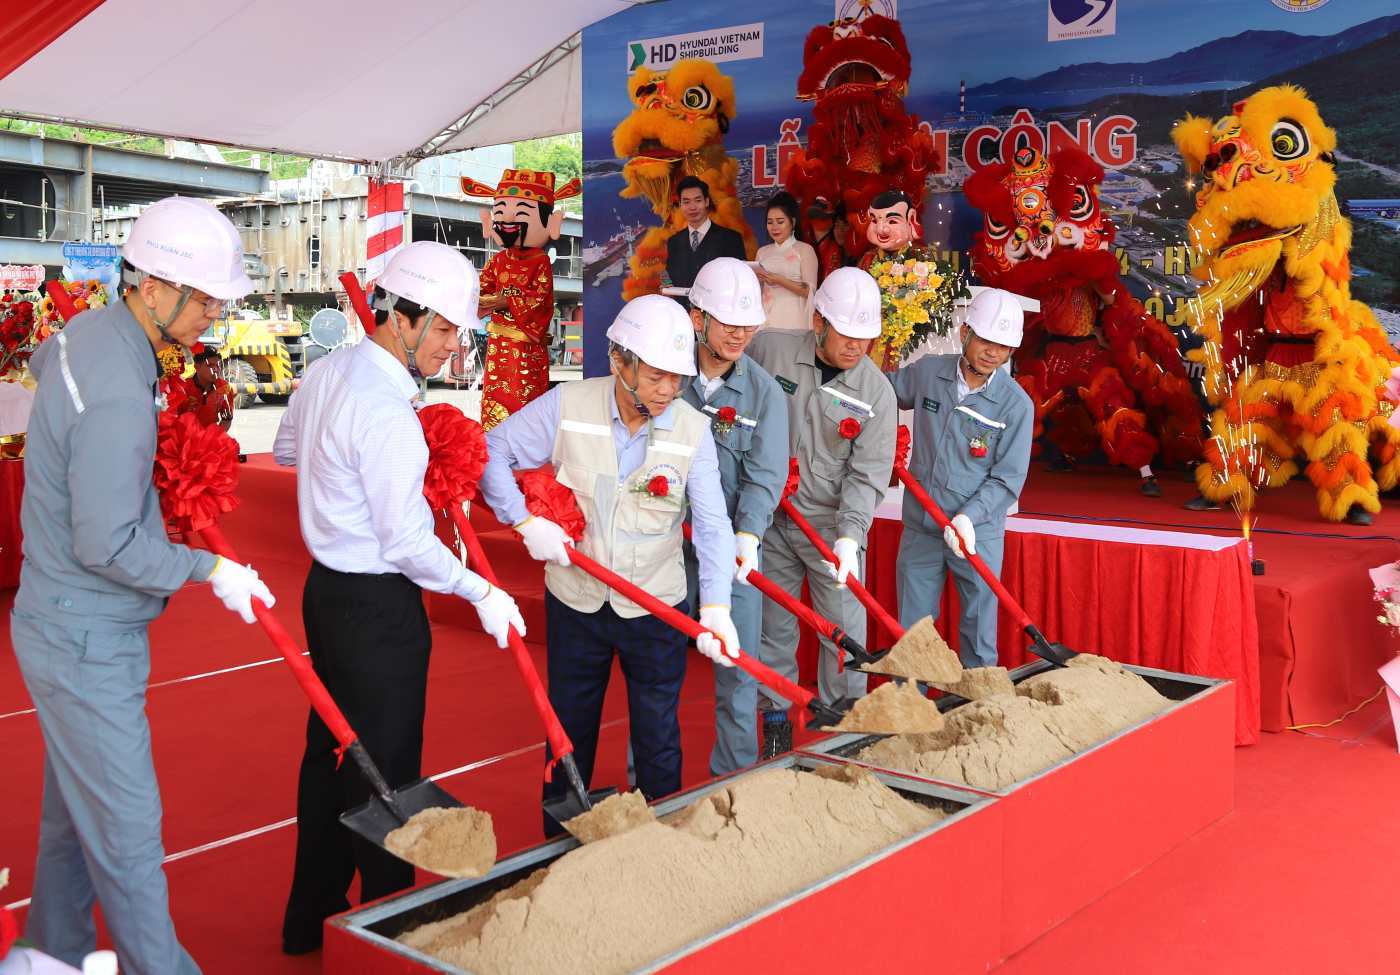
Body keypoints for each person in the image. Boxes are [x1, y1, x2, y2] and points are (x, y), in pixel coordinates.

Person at [12, 195, 276, 974]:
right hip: (84, 634)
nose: (213, 318)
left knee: (72, 821)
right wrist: (208, 565)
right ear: (153, 286)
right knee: (127, 832)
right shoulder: (123, 387)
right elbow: (108, 541)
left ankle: (48, 953)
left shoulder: (88, 336)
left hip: (60, 616)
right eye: (205, 301)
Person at [274, 240, 525, 954]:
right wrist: (480, 588)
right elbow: (407, 544)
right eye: (443, 329)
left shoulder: (328, 372)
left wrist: (345, 481)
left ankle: (310, 915)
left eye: (458, 332)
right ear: (399, 317)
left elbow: (289, 451)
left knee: (328, 754)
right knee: (385, 773)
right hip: (379, 608)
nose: (453, 346)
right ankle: (387, 932)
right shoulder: (387, 411)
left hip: (326, 595)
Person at [479, 293, 739, 833]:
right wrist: (524, 521)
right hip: (577, 600)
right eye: (656, 376)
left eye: (678, 377)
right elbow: (491, 453)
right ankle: (558, 848)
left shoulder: (691, 428)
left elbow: (712, 524)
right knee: (566, 735)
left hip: (656, 607)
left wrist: (715, 605)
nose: (669, 389)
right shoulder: (568, 405)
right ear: (620, 361)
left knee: (658, 738)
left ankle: (658, 844)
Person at [747, 267, 896, 755]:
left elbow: (867, 473)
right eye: (846, 335)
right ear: (818, 322)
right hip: (772, 522)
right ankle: (775, 728)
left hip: (833, 531)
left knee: (845, 637)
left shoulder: (876, 393)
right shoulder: (771, 350)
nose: (855, 347)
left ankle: (845, 735)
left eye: (865, 338)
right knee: (775, 631)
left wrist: (850, 538)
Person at [682, 257, 789, 774]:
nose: (739, 335)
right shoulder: (665, 373)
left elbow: (766, 475)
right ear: (696, 317)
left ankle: (734, 781)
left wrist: (747, 536)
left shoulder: (765, 393)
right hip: (665, 545)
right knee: (654, 668)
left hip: (734, 547)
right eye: (728, 323)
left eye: (748, 325)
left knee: (737, 668)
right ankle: (651, 789)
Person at [888, 288, 1034, 667]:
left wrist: (969, 518)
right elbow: (881, 393)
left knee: (979, 631)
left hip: (977, 534)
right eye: (986, 340)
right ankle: (910, 710)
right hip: (923, 523)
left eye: (1003, 347)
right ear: (966, 331)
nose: (993, 353)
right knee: (913, 633)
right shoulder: (927, 372)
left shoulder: (1016, 405)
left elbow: (1007, 479)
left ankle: (978, 711)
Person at [464, 169, 580, 430]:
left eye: (521, 213)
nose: (507, 220)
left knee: (524, 406)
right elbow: (480, 292)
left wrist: (504, 301)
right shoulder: (498, 261)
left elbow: (539, 300)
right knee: (495, 404)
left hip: (526, 350)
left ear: (552, 225)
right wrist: (485, 299)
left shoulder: (540, 262)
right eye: (500, 212)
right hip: (498, 348)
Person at [664, 175, 747, 305]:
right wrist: (666, 286)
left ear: (707, 202)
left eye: (697, 200)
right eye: (686, 202)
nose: (692, 207)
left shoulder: (731, 239)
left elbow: (740, 280)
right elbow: (670, 278)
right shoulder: (674, 242)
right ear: (680, 205)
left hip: (719, 317)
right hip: (684, 318)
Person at [754, 191, 818, 331]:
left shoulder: (805, 250)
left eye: (780, 221)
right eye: (770, 222)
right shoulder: (762, 252)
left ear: (793, 222)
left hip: (794, 321)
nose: (774, 227)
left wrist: (779, 280)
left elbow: (809, 291)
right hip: (766, 321)